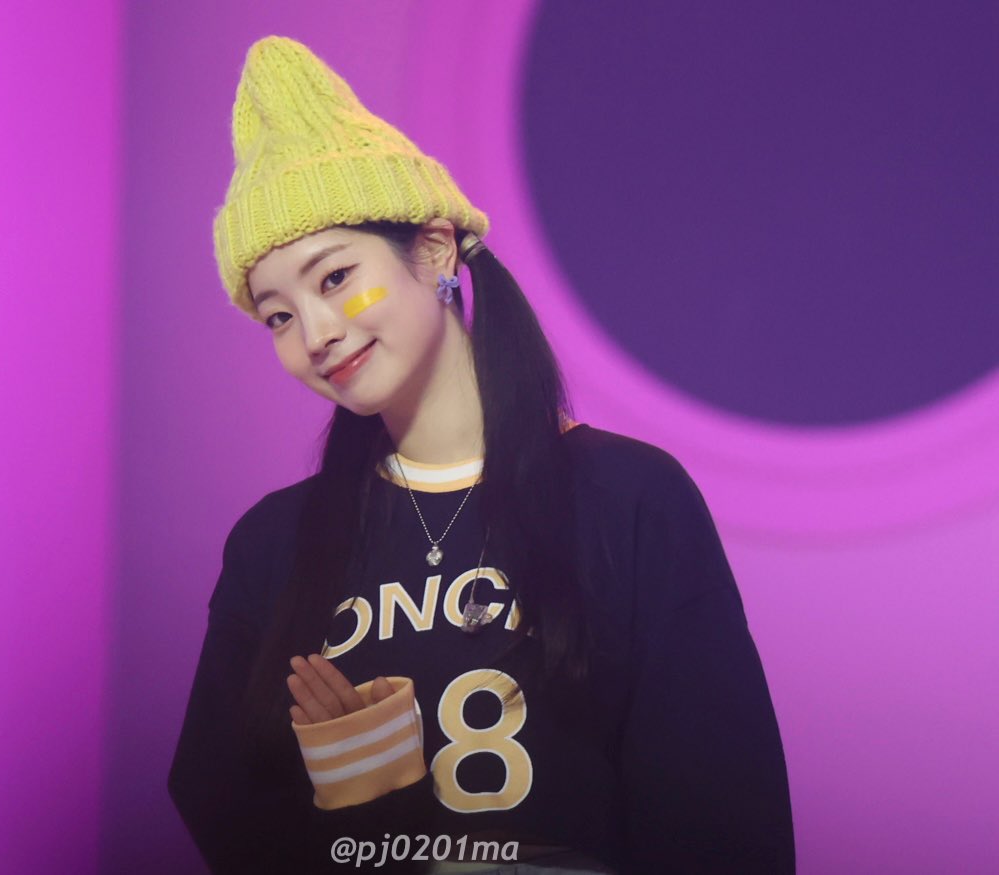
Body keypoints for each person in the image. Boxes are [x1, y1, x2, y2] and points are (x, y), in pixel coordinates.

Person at [168, 35, 795, 875]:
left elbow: (723, 818)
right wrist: (366, 797)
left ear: (433, 250)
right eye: (277, 315)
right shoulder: (272, 544)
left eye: (334, 278)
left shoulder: (629, 498)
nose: (314, 334)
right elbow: (221, 803)